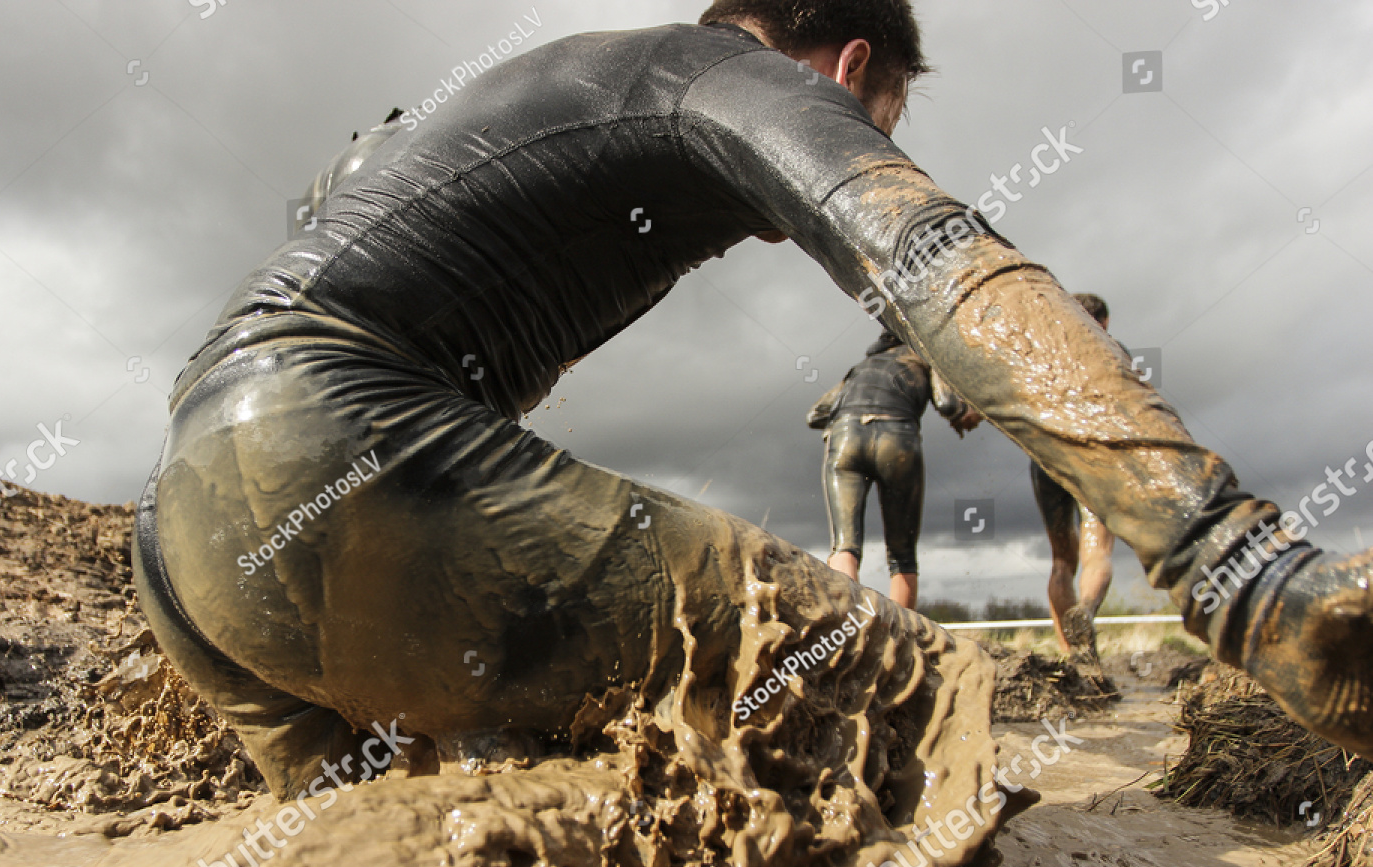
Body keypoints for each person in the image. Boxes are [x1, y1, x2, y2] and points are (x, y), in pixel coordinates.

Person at [134, 0, 1373, 807]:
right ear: (843, 70)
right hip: (337, 443)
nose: (863, 137)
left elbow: (330, 199)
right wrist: (1244, 572)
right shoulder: (718, 72)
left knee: (388, 860)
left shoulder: (546, 84)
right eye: (875, 117)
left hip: (181, 538)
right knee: (899, 681)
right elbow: (941, 258)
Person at [810, 330, 978, 606]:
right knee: (902, 556)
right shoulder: (922, 357)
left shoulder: (860, 368)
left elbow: (815, 414)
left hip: (846, 437)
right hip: (897, 438)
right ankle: (901, 640)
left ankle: (850, 631)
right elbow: (948, 403)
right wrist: (966, 414)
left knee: (845, 547)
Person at [1030, 293, 1117, 660]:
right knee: (1097, 549)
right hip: (1092, 454)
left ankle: (1071, 655)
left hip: (1045, 455)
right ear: (1103, 323)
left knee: (1062, 561)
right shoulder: (1111, 351)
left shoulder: (1041, 356)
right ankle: (1087, 610)